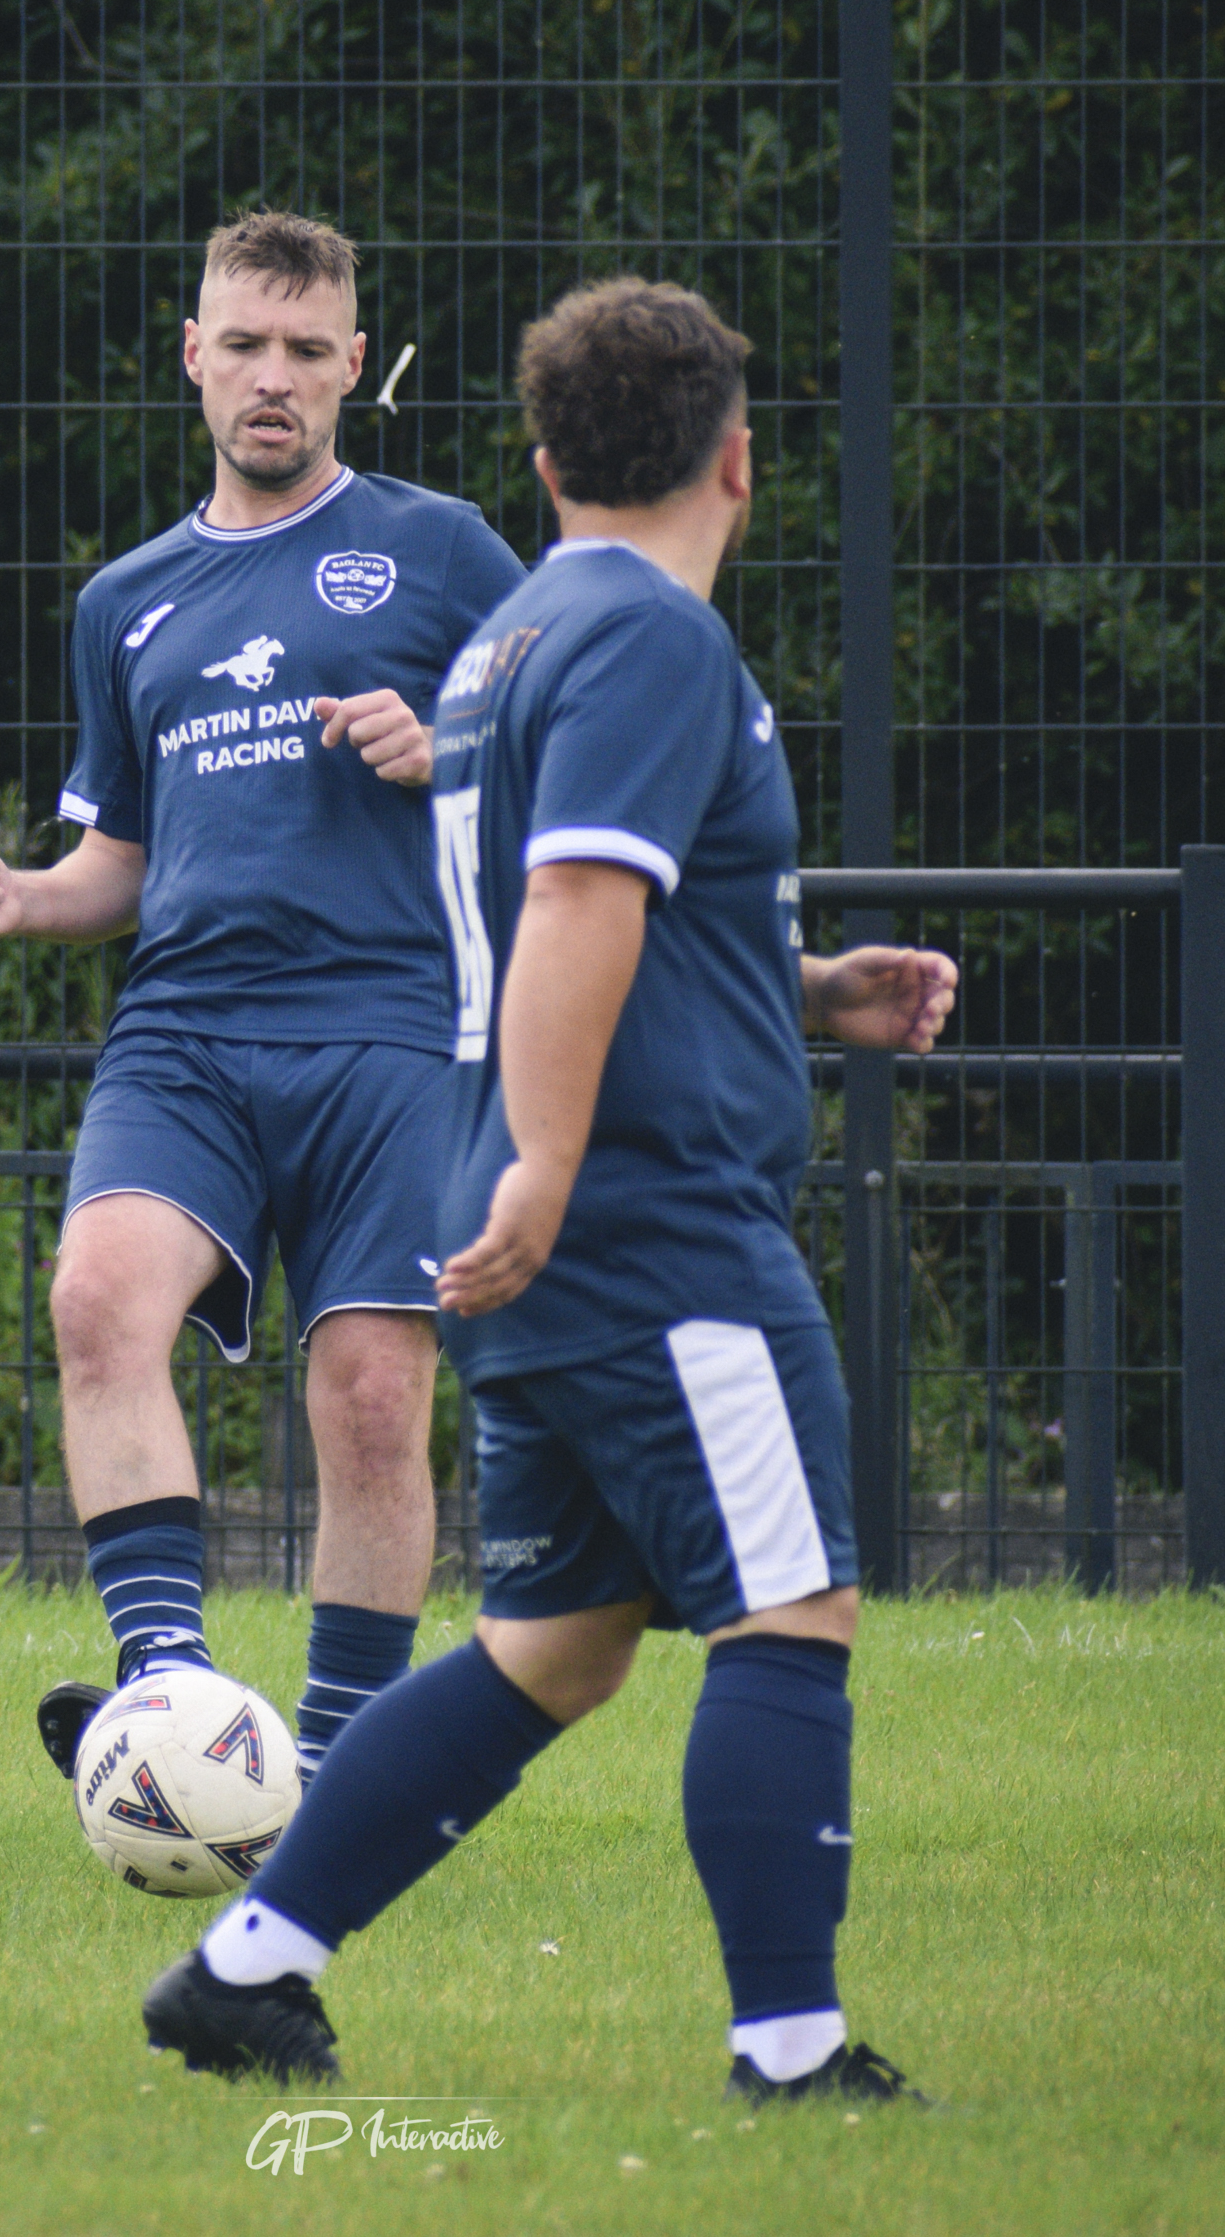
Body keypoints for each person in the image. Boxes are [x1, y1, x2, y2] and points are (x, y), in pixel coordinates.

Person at [140, 276, 959, 2102]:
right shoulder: (652, 639)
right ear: (742, 462)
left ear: (544, 458)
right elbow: (577, 913)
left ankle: (244, 1967)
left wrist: (812, 993)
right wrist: (560, 1167)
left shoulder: (511, 637)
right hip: (650, 1222)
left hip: (538, 1212)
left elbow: (581, 911)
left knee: (558, 1645)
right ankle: (793, 2053)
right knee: (789, 1606)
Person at [0, 210, 524, 1787]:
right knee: (96, 1303)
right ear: (192, 356)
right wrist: (21, 892)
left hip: (393, 1026)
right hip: (183, 1030)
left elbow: (587, 745)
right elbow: (119, 855)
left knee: (376, 1395)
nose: (273, 378)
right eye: (243, 344)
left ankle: (331, 1769)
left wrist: (453, 746)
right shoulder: (126, 598)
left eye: (308, 352)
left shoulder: (446, 546)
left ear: (354, 369)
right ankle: (172, 1706)